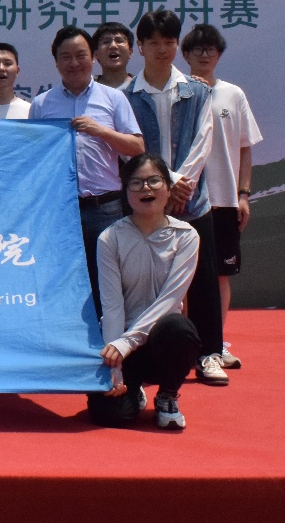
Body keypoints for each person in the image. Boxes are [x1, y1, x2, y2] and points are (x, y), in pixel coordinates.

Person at [123, 10, 225, 386]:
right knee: (145, 281)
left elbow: (203, 139)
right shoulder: (126, 96)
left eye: (169, 42)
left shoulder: (198, 91)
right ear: (140, 47)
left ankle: (210, 353)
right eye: (154, 43)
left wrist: (181, 182)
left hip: (191, 201)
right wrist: (162, 186)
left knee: (203, 282)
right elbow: (130, 148)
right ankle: (144, 355)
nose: (162, 50)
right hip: (148, 203)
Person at [29, 26, 145, 319]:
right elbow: (34, 158)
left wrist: (100, 131)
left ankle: (109, 340)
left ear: (93, 57)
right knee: (61, 280)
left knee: (107, 281)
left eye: (81, 55)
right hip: (60, 210)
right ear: (56, 62)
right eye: (65, 56)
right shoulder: (41, 104)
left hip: (104, 207)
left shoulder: (113, 98)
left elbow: (137, 147)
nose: (74, 63)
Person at [88, 153, 201, 430]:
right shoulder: (110, 238)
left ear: (168, 188)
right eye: (136, 183)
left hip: (160, 341)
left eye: (154, 181)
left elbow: (170, 300)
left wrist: (128, 342)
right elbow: (112, 305)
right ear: (125, 191)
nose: (146, 189)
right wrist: (114, 366)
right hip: (123, 345)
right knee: (109, 415)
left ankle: (167, 395)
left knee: (179, 328)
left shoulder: (186, 237)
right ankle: (133, 388)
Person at [182, 23, 262, 370]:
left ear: (219, 54)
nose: (205, 54)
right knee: (184, 276)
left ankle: (216, 343)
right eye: (197, 49)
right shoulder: (179, 92)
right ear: (186, 54)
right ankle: (187, 345)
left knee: (220, 275)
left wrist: (243, 193)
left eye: (211, 49)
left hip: (225, 199)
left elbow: (245, 147)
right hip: (186, 199)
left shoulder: (233, 94)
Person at [92, 22, 135, 89]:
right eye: (106, 41)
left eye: (119, 41)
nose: (113, 46)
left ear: (130, 52)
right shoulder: (86, 89)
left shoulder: (143, 88)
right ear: (96, 54)